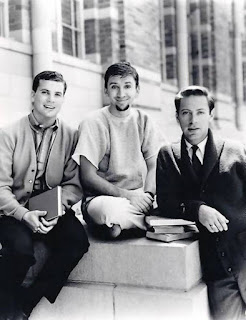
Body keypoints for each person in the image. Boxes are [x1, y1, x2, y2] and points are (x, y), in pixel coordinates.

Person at [0, 71, 89, 319]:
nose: (50, 99)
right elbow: (0, 188)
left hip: (52, 210)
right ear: (33, 95)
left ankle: (27, 303)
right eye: (45, 92)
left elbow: (73, 184)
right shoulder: (8, 134)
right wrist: (23, 214)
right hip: (13, 210)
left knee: (77, 242)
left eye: (57, 94)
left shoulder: (71, 136)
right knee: (20, 250)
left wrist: (57, 208)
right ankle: (5, 306)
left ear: (63, 99)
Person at [156, 85, 246, 320]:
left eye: (200, 112)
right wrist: (197, 209)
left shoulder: (236, 152)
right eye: (186, 113)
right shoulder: (168, 155)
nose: (193, 120)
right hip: (215, 269)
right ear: (177, 117)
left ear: (210, 115)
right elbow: (165, 202)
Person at [73, 62, 160, 239]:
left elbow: (154, 165)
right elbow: (88, 177)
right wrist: (127, 196)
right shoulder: (93, 121)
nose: (121, 94)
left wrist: (148, 196)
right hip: (101, 199)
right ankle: (144, 224)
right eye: (114, 87)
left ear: (137, 89)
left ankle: (120, 227)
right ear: (106, 90)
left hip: (137, 197)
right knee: (111, 211)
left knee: (168, 204)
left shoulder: (144, 120)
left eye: (127, 86)